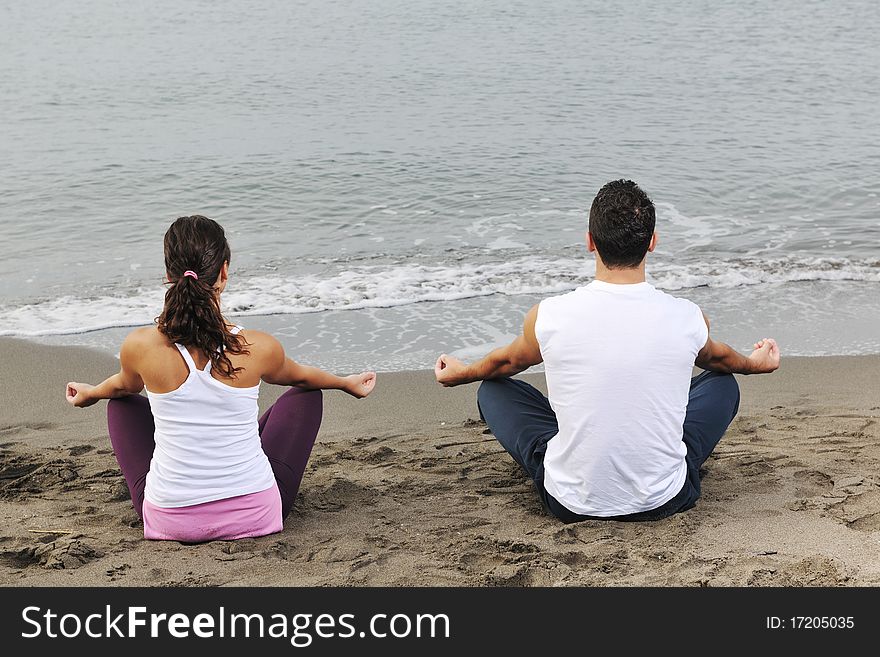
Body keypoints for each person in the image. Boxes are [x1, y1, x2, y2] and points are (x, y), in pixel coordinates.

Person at [434, 180, 780, 523]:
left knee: (494, 387)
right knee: (723, 382)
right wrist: (755, 364)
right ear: (653, 243)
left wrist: (462, 373)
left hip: (569, 503)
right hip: (664, 499)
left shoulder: (550, 315)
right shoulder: (687, 316)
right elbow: (721, 359)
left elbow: (505, 362)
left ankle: (580, 453)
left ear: (589, 242)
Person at [66, 215, 376, 542]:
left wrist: (92, 393)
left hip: (171, 521)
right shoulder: (257, 346)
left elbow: (122, 386)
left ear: (169, 275)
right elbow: (300, 376)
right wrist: (344, 382)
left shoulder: (141, 346)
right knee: (307, 393)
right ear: (224, 272)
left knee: (120, 403)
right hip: (255, 516)